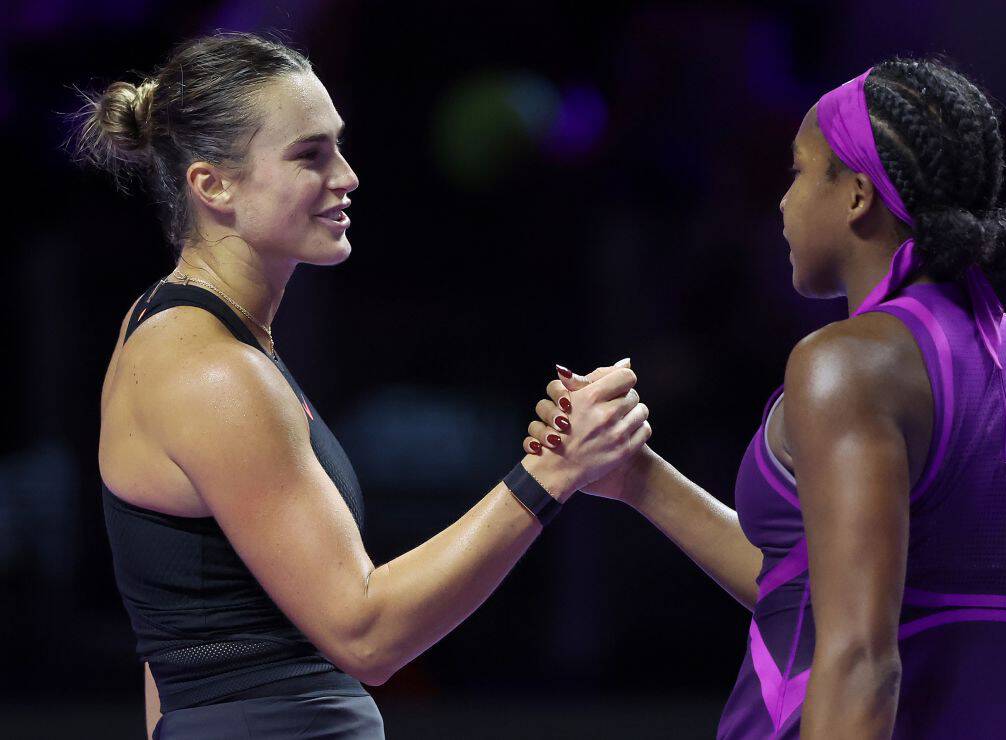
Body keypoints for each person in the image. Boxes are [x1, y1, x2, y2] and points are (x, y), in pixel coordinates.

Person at [74, 33, 651, 739]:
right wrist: (550, 473)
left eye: (338, 147)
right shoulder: (211, 369)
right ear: (213, 184)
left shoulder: (184, 332)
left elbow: (172, 644)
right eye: (309, 155)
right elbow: (367, 635)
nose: (346, 175)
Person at [525, 58, 1006, 739]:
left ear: (857, 194)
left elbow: (861, 661)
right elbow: (816, 591)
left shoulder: (845, 364)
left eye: (800, 172)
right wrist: (635, 477)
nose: (782, 201)